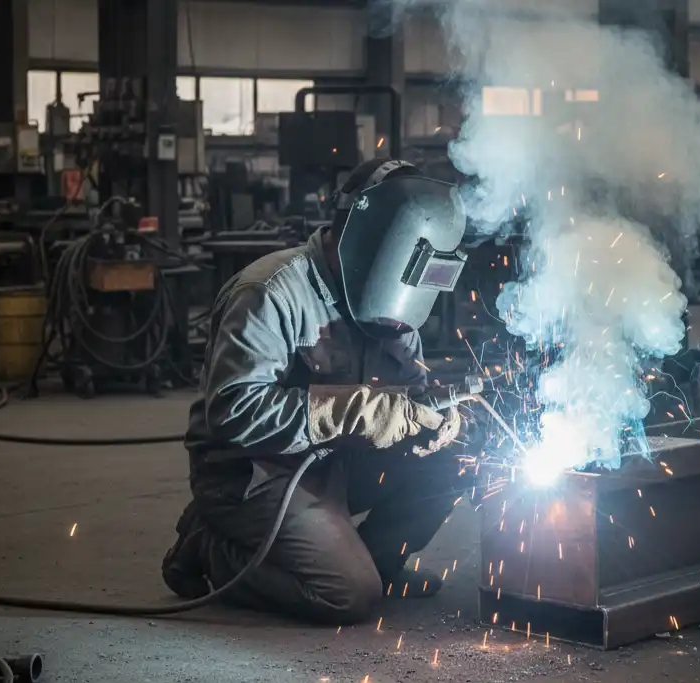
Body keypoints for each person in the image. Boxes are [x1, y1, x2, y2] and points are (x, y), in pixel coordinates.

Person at [162, 159, 471, 624]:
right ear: (367, 241)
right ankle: (208, 546)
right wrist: (358, 412)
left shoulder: (400, 302)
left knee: (458, 458)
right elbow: (232, 412)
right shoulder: (269, 293)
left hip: (339, 462)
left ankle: (377, 564)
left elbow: (408, 394)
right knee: (346, 596)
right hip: (256, 473)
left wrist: (429, 424)